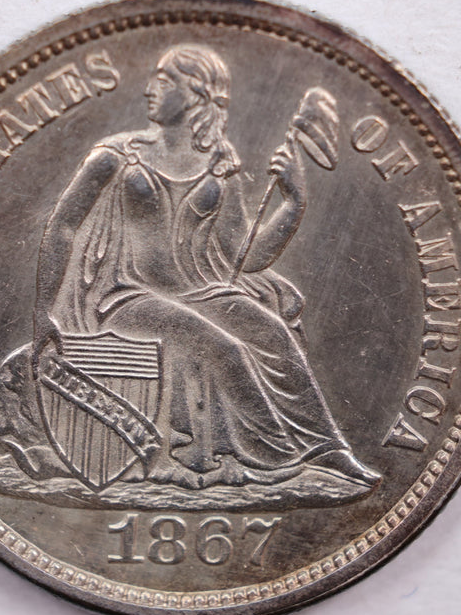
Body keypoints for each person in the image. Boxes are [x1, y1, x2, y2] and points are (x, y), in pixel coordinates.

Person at [23, 43, 380, 490]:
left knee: (273, 334)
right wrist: (43, 311)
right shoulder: (116, 155)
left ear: (196, 93)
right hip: (126, 296)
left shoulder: (219, 164)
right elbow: (62, 227)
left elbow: (246, 256)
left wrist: (294, 203)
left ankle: (328, 451)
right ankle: (279, 463)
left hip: (202, 290)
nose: (150, 89)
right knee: (220, 346)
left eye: (164, 79)